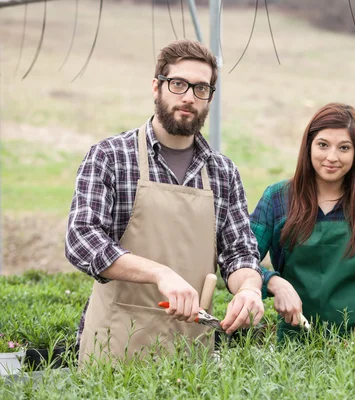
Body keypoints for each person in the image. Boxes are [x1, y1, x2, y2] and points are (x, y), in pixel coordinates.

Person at [65, 39, 264, 362]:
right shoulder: (111, 156)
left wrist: (249, 288)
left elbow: (239, 252)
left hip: (192, 351)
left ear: (210, 98)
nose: (189, 97)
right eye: (178, 84)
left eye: (201, 89)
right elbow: (81, 240)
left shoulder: (223, 172)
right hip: (116, 344)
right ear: (156, 87)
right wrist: (161, 273)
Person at [250, 103, 355, 341]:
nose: (332, 157)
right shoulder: (277, 199)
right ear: (308, 146)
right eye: (323, 145)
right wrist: (273, 282)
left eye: (344, 148)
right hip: (293, 346)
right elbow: (243, 260)